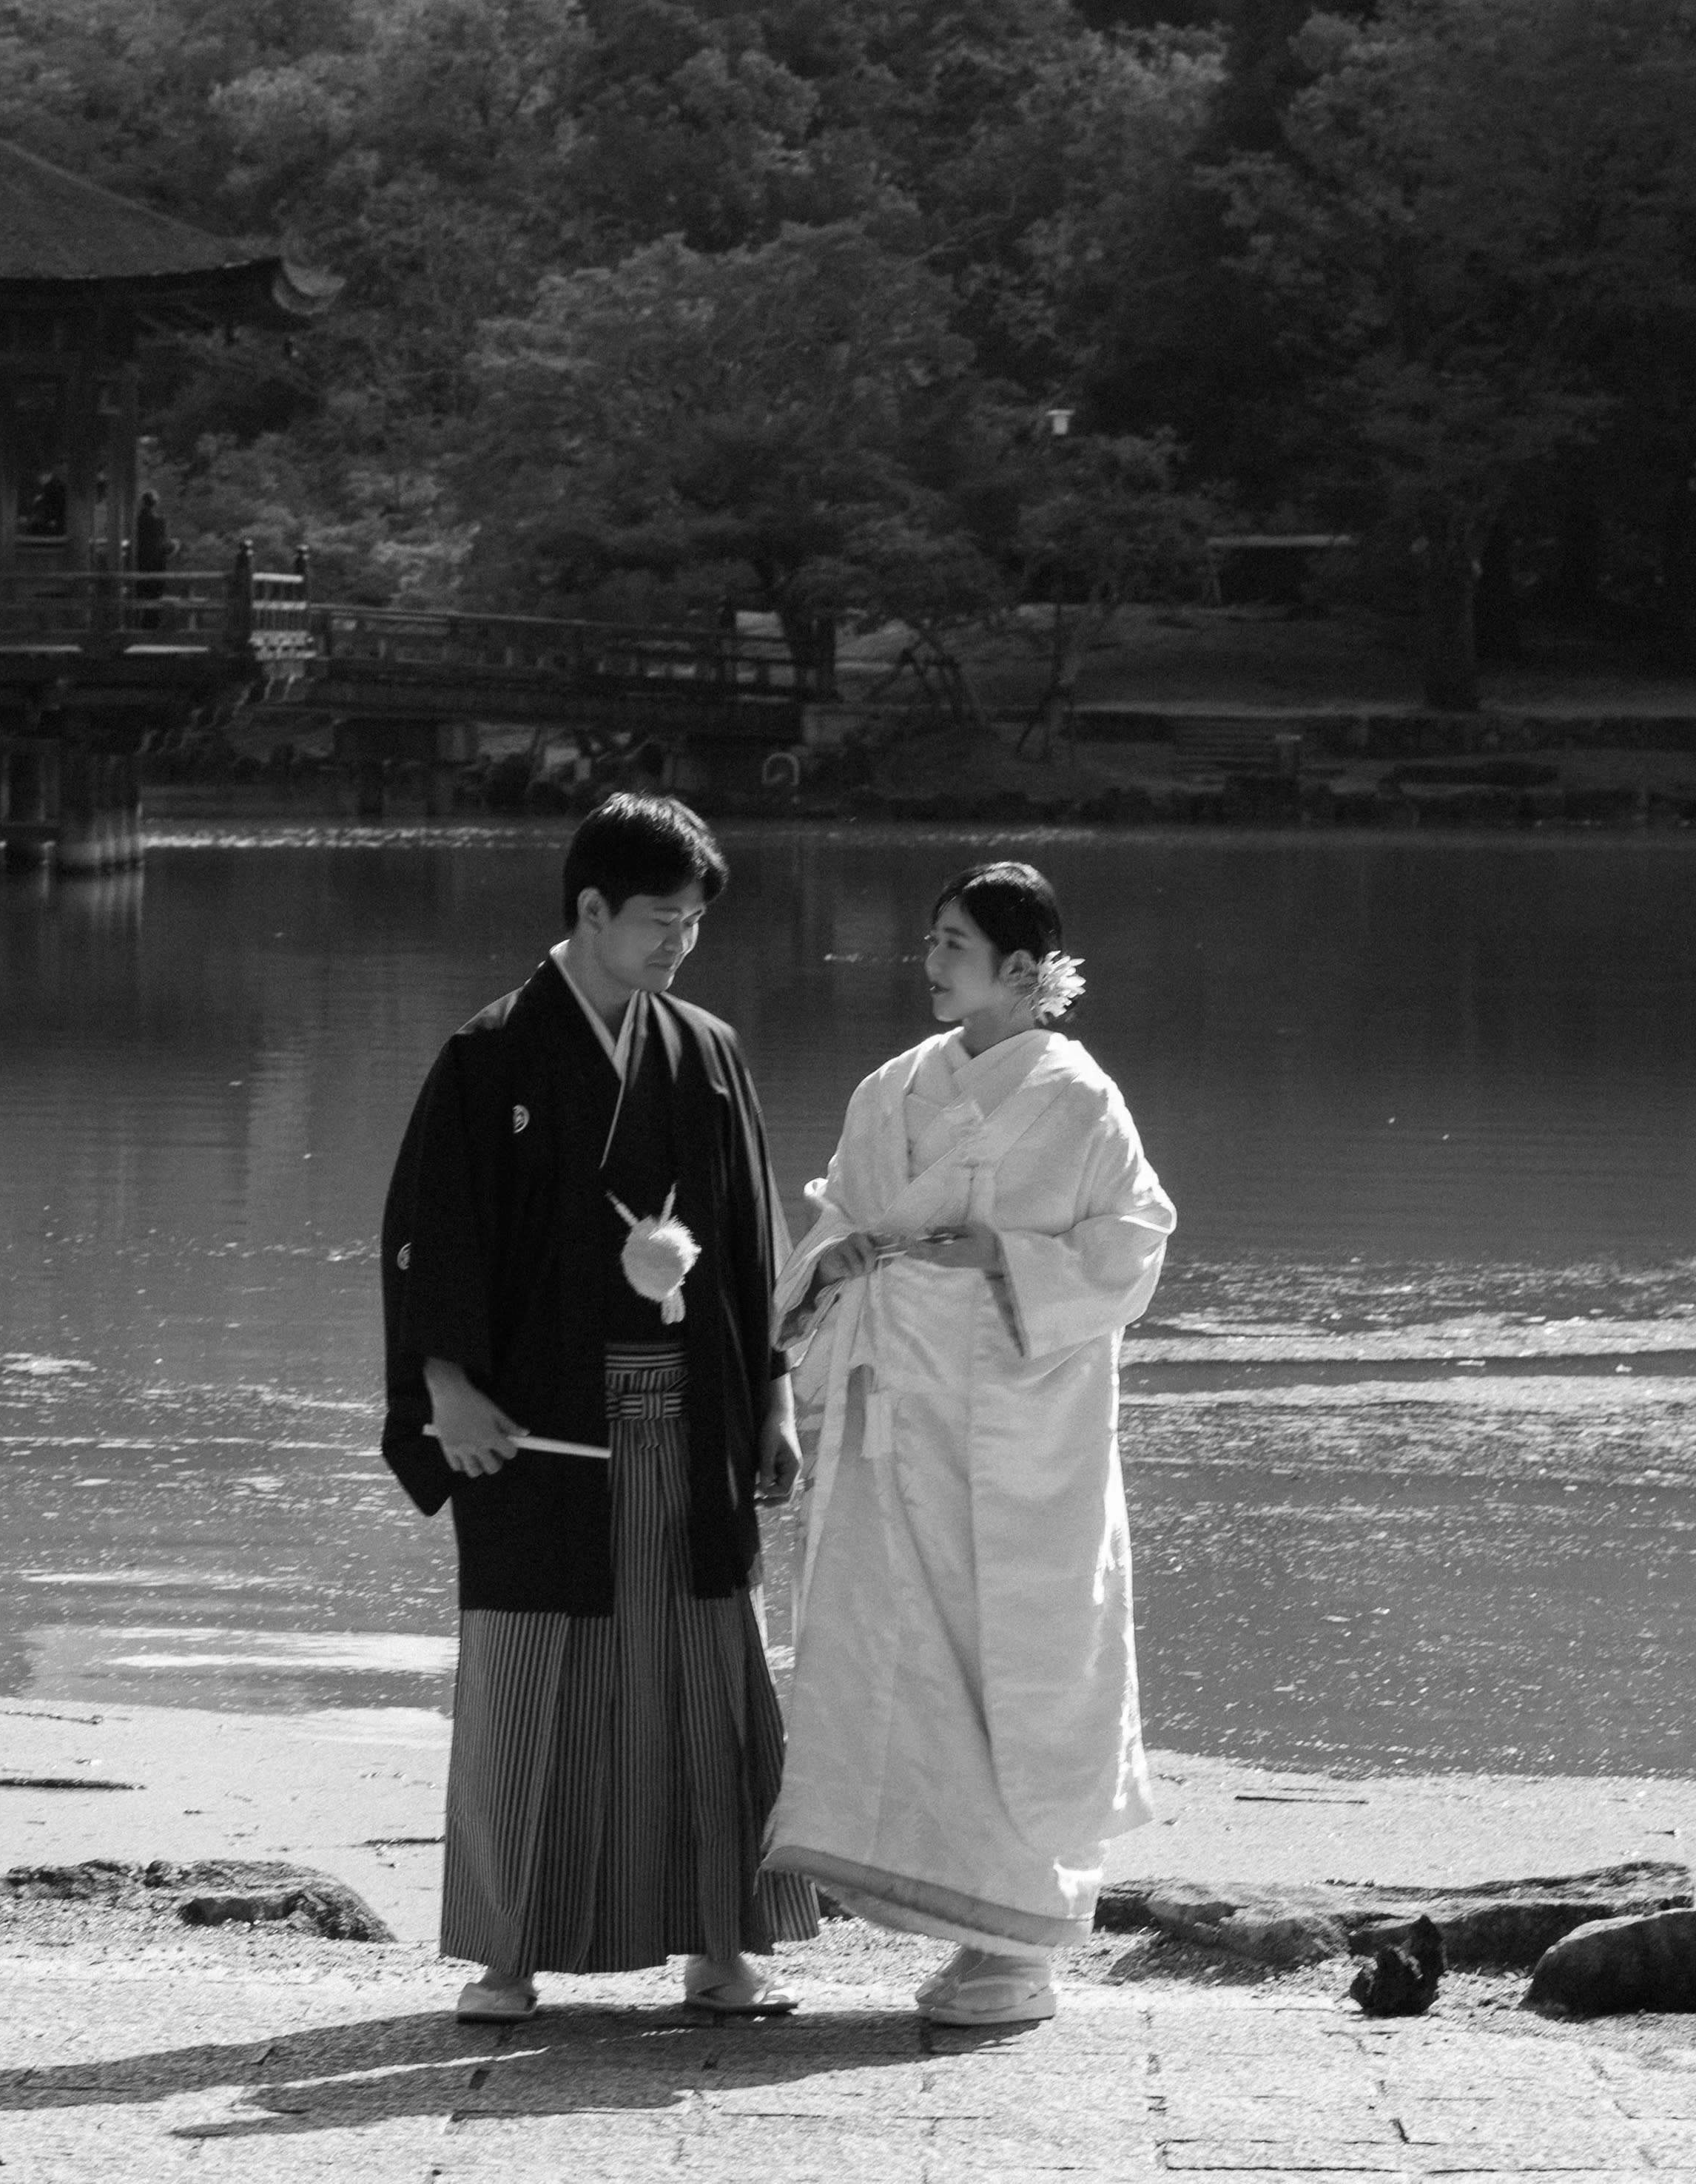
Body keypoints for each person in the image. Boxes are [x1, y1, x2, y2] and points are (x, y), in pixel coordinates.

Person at [377, 794, 815, 2023]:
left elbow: (747, 1240)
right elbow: (427, 1237)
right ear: (589, 908)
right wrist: (446, 1390)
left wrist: (774, 1396)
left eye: (693, 923)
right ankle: (507, 1952)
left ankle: (720, 1947)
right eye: (659, 920)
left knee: (704, 1675)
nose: (681, 943)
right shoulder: (491, 1053)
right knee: (533, 1676)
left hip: (691, 1409)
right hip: (534, 1423)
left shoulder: (707, 1050)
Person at [764, 860, 1175, 2028]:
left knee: (1017, 1662)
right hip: (895, 1415)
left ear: (1021, 968)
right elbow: (836, 1220)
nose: (930, 959)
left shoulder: (1079, 1098)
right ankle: (946, 1914)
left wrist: (1004, 1256)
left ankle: (1018, 1943)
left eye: (953, 942)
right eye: (933, 937)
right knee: (895, 1650)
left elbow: (1133, 1246)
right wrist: (833, 1263)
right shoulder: (891, 1085)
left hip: (1018, 1433)